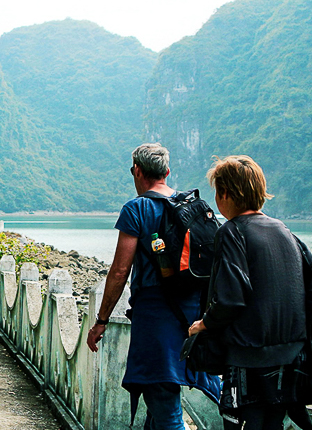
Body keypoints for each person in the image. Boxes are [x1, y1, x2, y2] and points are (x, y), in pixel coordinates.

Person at [86, 143, 220, 428]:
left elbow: (120, 271)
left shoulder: (137, 209)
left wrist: (101, 320)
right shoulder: (195, 206)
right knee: (159, 398)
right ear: (167, 172)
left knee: (163, 399)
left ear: (136, 171)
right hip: (194, 314)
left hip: (155, 315)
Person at [189, 155, 311, 429]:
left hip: (248, 358)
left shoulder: (232, 232)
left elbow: (231, 298)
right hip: (289, 358)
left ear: (226, 194)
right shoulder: (286, 232)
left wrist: (203, 324)